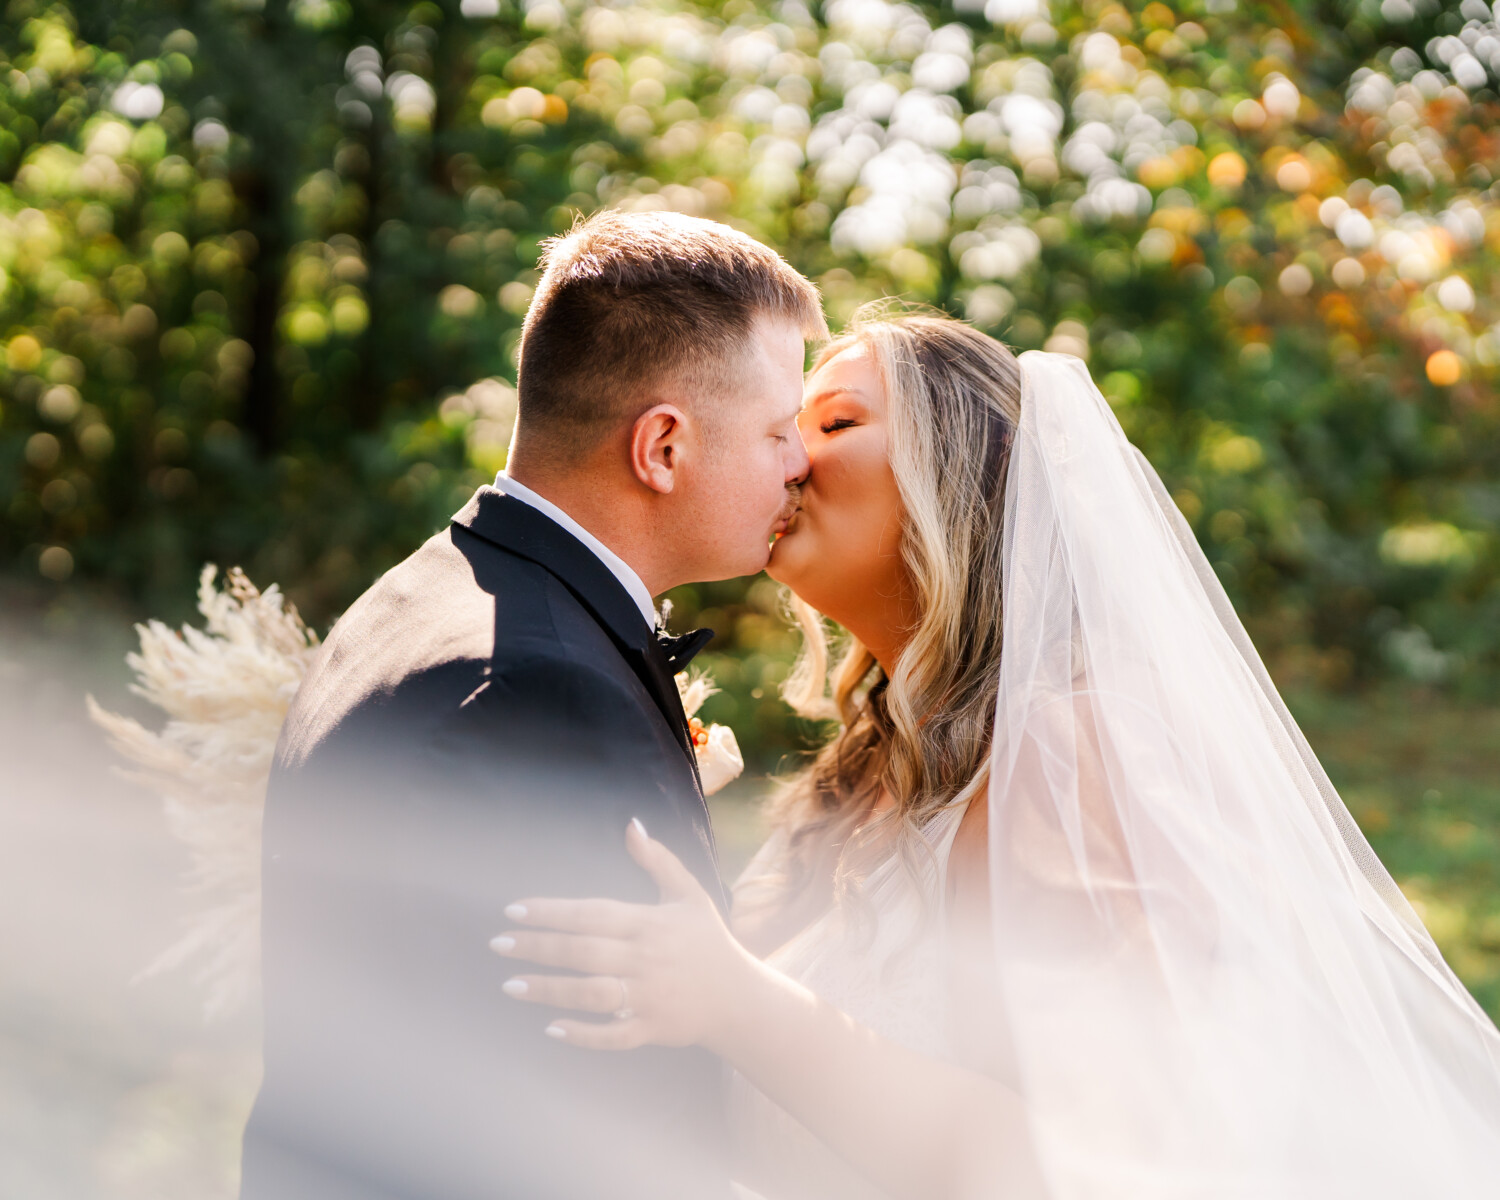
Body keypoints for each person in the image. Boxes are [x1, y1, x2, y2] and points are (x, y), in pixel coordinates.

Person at [492, 308, 1500, 1198]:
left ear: (964, 471)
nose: (788, 458)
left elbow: (1105, 1161)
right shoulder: (868, 768)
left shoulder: (1080, 757)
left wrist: (741, 1005)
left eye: (834, 423)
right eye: (783, 429)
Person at [239, 209, 826, 1200]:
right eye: (778, 430)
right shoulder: (541, 698)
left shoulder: (431, 587)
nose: (800, 462)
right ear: (664, 448)